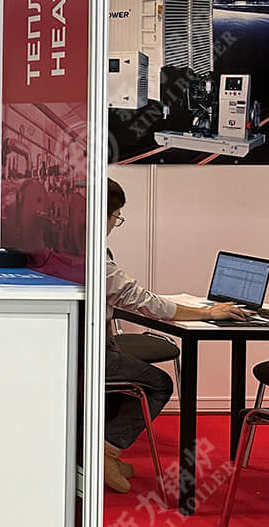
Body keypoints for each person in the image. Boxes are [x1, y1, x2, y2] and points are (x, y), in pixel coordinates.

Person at [104, 178, 246, 493]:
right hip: (91, 355)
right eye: (116, 217)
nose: (115, 224)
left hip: (72, 349)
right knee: (159, 384)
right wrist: (208, 313)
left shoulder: (61, 245)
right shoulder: (97, 258)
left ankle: (102, 450)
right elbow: (142, 301)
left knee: (128, 378)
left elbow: (137, 299)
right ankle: (107, 450)